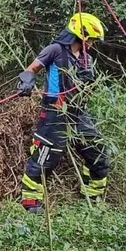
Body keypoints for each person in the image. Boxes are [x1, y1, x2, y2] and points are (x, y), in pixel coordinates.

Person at [17, 12, 110, 214]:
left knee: (98, 152)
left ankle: (92, 196)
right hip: (55, 112)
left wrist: (88, 81)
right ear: (81, 35)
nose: (92, 44)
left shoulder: (88, 59)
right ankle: (31, 202)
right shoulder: (55, 50)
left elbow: (90, 91)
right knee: (45, 157)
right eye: (91, 40)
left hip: (78, 113)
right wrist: (26, 81)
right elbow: (31, 69)